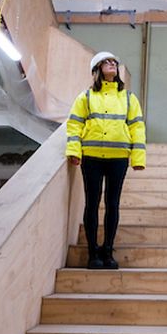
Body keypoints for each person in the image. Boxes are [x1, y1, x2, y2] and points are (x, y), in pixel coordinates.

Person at [66, 51, 146, 269]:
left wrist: (138, 157)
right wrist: (74, 151)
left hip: (118, 158)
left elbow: (137, 127)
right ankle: (93, 253)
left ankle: (108, 251)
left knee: (113, 204)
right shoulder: (86, 97)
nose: (112, 64)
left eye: (114, 62)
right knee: (92, 204)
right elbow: (74, 125)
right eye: (107, 62)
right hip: (91, 157)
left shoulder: (128, 98)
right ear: (97, 69)